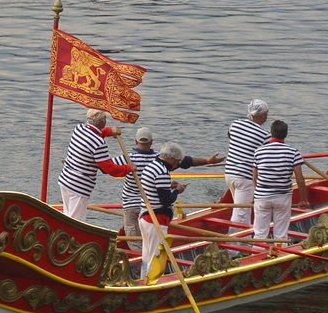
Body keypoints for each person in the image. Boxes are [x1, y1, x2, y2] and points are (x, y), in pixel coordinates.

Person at [121, 127, 221, 239]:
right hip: (150, 209)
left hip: (136, 206)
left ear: (135, 141)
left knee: (134, 239)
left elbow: (106, 167)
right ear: (152, 142)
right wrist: (207, 161)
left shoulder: (127, 158)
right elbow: (187, 162)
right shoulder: (159, 158)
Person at [58, 108, 130, 224]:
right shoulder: (98, 143)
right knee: (76, 222)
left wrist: (109, 131)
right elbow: (110, 169)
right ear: (102, 122)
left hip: (66, 180)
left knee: (68, 216)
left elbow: (95, 134)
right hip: (79, 186)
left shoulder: (79, 128)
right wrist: (129, 168)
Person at [136, 141, 189, 280]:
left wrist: (169, 185)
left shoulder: (151, 166)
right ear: (171, 159)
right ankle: (151, 283)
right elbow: (166, 200)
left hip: (145, 217)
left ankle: (144, 279)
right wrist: (177, 191)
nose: (176, 166)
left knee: (147, 255)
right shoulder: (161, 172)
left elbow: (154, 188)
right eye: (177, 163)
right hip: (155, 220)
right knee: (156, 256)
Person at [252, 120, 308, 244]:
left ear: (271, 133)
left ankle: (257, 255)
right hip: (282, 197)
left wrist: (258, 194)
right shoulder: (293, 152)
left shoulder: (259, 151)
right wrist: (304, 199)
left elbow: (254, 176)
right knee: (281, 234)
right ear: (286, 134)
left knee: (260, 233)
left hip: (262, 197)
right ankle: (280, 254)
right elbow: (300, 178)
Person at [225, 98, 271, 228]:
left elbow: (232, 138)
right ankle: (232, 247)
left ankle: (245, 242)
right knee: (240, 213)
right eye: (267, 114)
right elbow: (266, 157)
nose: (267, 117)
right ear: (261, 115)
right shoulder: (265, 135)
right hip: (245, 178)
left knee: (244, 211)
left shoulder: (235, 124)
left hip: (229, 174)